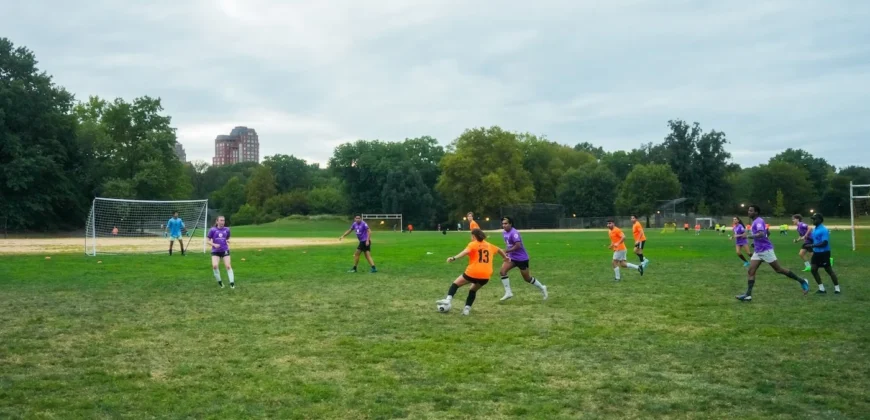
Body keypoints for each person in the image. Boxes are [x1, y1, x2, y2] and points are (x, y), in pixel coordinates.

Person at [735, 205, 809, 302]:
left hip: (766, 250)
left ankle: (802, 281)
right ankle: (748, 295)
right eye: (748, 210)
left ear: (756, 212)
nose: (749, 212)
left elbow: (761, 233)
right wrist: (756, 242)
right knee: (751, 271)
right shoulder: (755, 222)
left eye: (751, 211)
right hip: (758, 251)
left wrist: (749, 236)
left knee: (779, 270)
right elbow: (767, 233)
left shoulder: (758, 221)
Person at [436, 228, 509, 316]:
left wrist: (454, 258)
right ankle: (466, 310)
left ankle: (448, 300)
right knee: (472, 290)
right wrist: (505, 258)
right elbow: (499, 250)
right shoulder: (489, 245)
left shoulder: (473, 244)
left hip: (473, 272)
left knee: (455, 284)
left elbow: (465, 252)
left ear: (474, 236)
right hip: (486, 275)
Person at [497, 217, 548, 302]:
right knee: (502, 271)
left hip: (521, 259)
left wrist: (507, 250)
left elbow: (518, 245)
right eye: (503, 224)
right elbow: (509, 245)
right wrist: (507, 254)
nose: (504, 225)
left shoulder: (514, 233)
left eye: (505, 223)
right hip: (512, 258)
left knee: (527, 278)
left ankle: (542, 288)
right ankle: (508, 292)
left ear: (510, 224)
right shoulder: (504, 233)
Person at [807, 213, 840, 294]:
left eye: (814, 219)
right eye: (812, 219)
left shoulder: (824, 229)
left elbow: (824, 243)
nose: (813, 220)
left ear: (820, 220)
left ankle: (837, 289)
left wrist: (812, 245)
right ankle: (821, 289)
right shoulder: (815, 229)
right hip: (816, 253)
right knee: (813, 269)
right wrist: (808, 242)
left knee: (828, 270)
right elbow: (815, 240)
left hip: (824, 253)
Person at [207, 215, 234, 289]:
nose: (222, 222)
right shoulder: (212, 230)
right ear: (217, 221)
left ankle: (232, 283)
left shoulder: (227, 229)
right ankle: (220, 282)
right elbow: (207, 241)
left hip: (225, 250)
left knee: (228, 266)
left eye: (223, 220)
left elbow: (228, 237)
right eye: (221, 220)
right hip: (215, 251)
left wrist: (228, 240)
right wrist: (214, 244)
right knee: (215, 266)